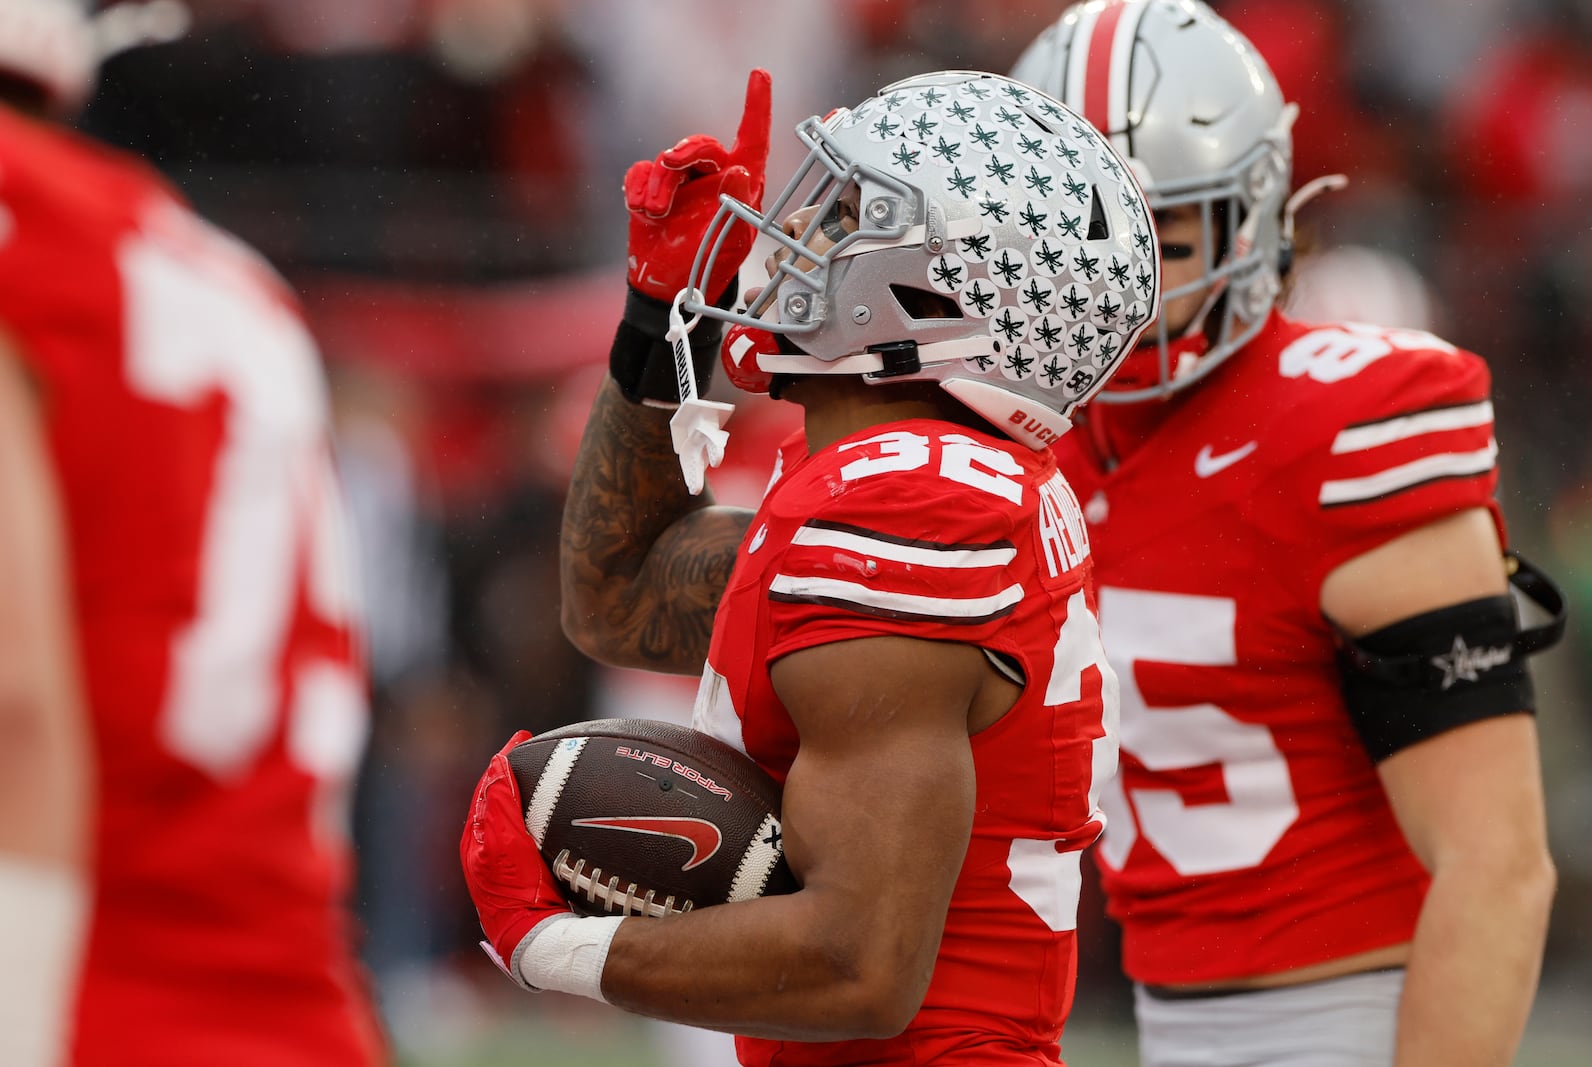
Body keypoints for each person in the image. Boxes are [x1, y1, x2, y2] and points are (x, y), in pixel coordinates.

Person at [460, 67, 1161, 1064]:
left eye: (844, 216)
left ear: (929, 293)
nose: (797, 234)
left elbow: (859, 964)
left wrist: (552, 946)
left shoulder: (909, 504)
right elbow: (620, 594)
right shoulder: (912, 481)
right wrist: (662, 320)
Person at [1008, 2, 1565, 1065]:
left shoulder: (1349, 425)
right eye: (1077, 235)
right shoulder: (1022, 435)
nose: (1116, 283)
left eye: (1160, 239)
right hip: (1151, 1015)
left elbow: (1494, 863)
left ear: (1251, 215)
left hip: (1347, 1020)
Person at [0, 2, 385, 1064]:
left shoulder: (27, 232)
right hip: (293, 1001)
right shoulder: (216, 271)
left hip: (87, 986)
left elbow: (14, 701)